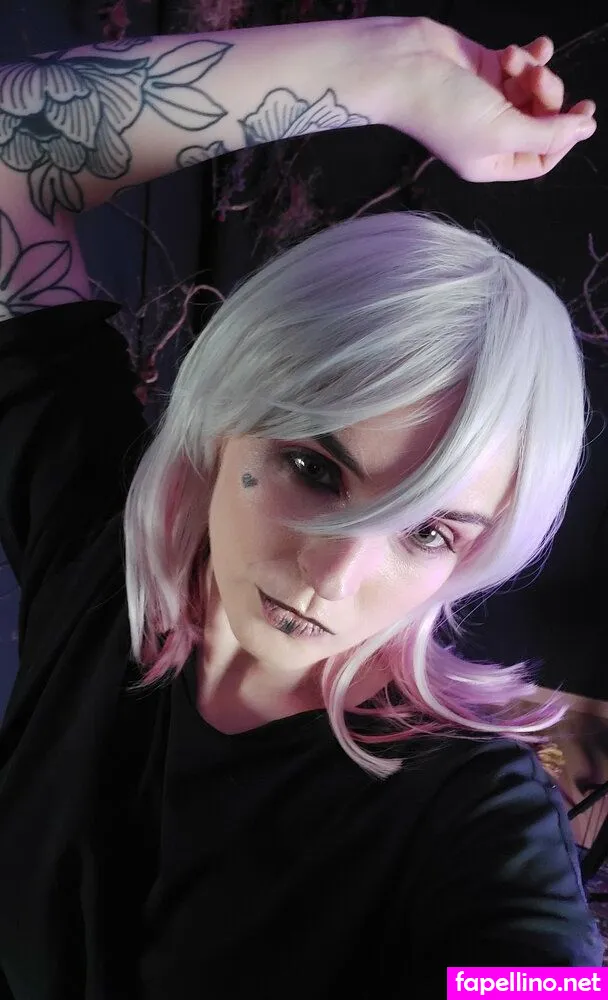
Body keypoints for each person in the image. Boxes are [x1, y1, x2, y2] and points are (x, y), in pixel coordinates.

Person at [0, 13, 602, 999]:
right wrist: (393, 70)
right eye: (313, 469)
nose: (333, 572)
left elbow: (544, 980)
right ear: (226, 418)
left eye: (427, 530)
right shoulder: (104, 550)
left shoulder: (470, 811)